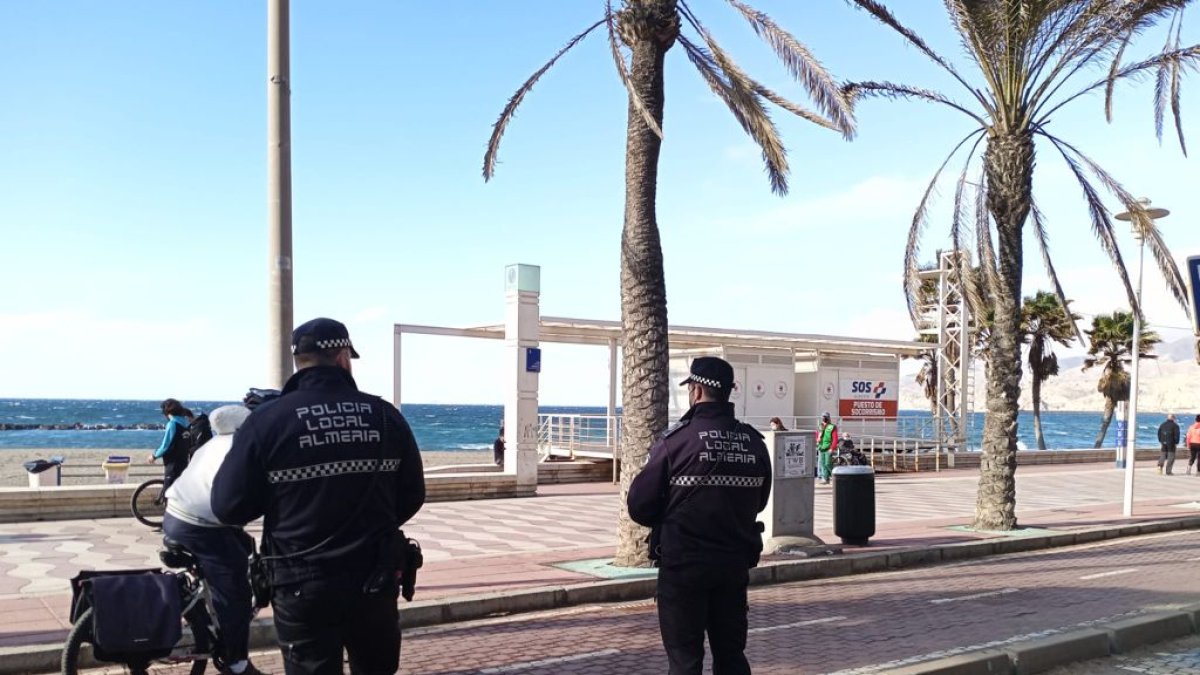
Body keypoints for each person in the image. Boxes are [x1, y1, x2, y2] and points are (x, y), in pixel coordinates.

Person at [212, 317, 427, 675]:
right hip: (374, 577)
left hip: (300, 581)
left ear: (300, 362)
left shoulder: (266, 421)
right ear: (344, 358)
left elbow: (228, 506)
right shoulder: (385, 416)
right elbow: (412, 495)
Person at [628, 356, 772, 675]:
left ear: (695, 391)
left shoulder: (675, 443)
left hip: (684, 567)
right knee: (731, 656)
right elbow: (760, 501)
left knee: (685, 661)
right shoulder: (754, 443)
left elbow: (639, 506)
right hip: (733, 566)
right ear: (728, 393)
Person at [162, 404, 261, 675]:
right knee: (237, 591)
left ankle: (210, 615)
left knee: (243, 547)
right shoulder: (237, 450)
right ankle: (236, 662)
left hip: (175, 516)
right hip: (200, 527)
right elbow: (238, 498)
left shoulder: (212, 444)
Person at [147, 398, 194, 491]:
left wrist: (154, 456)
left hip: (173, 464)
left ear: (167, 412)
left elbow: (166, 445)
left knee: (168, 492)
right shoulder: (186, 424)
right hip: (184, 461)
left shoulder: (172, 424)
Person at [815, 412, 838, 484]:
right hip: (821, 447)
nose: (823, 418)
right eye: (822, 417)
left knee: (828, 463)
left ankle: (836, 477)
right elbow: (816, 435)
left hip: (828, 447)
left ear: (828, 418)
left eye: (825, 417)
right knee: (822, 464)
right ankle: (825, 478)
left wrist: (832, 448)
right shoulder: (820, 426)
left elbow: (835, 439)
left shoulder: (832, 427)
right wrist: (817, 440)